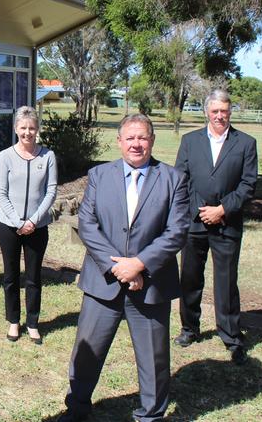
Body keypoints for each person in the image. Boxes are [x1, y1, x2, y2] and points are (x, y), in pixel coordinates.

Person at [59, 114, 189, 422]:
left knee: (154, 358)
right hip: (103, 283)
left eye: (142, 137)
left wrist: (140, 265)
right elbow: (88, 225)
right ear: (119, 142)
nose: (136, 144)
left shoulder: (173, 179)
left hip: (150, 284)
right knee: (87, 351)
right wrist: (117, 267)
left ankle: (151, 415)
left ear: (152, 141)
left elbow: (177, 231)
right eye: (129, 138)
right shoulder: (100, 175)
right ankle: (77, 409)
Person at [174, 89, 257, 365]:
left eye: (224, 111)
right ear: (206, 112)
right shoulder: (190, 141)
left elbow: (248, 185)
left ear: (230, 111)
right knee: (189, 278)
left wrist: (222, 209)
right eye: (215, 111)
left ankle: (232, 336)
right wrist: (202, 211)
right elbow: (181, 180)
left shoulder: (246, 143)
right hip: (194, 223)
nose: (220, 116)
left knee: (226, 282)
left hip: (227, 224)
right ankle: (189, 328)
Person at [0, 106, 57, 344]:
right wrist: (18, 221)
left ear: (37, 129)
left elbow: (51, 191)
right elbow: (1, 193)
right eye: (23, 128)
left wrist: (33, 221)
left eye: (32, 128)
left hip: (37, 228)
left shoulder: (48, 156)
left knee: (33, 277)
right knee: (10, 276)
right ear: (15, 129)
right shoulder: (5, 157)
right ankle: (13, 321)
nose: (27, 132)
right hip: (9, 227)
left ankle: (32, 322)